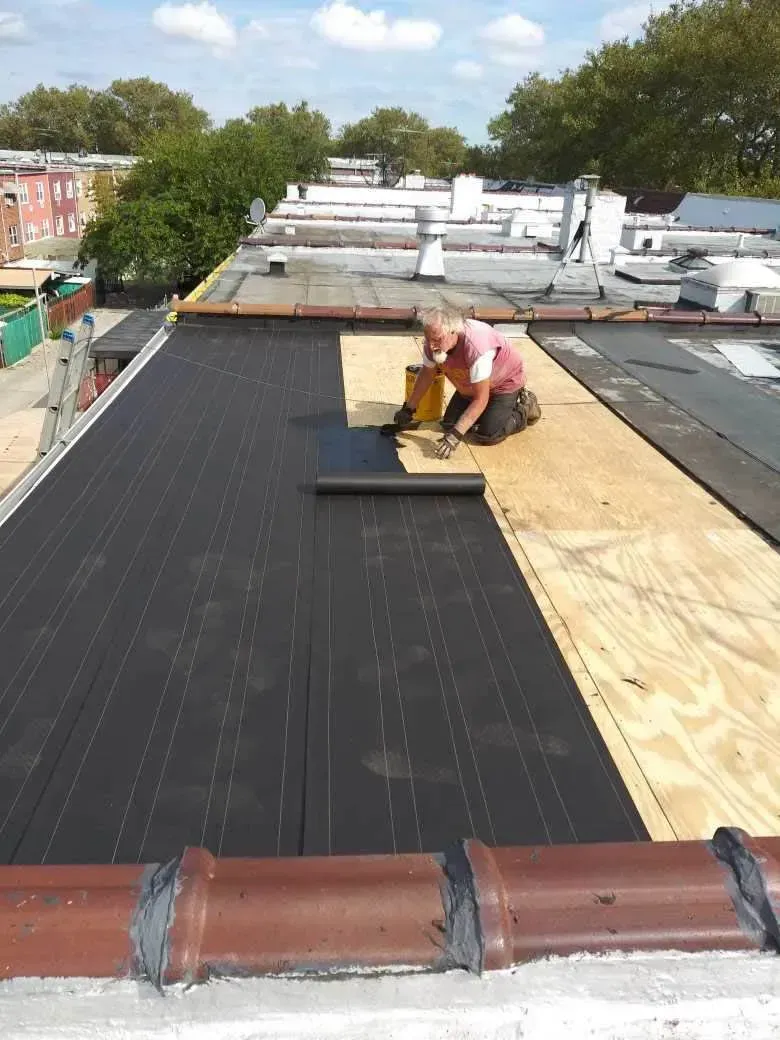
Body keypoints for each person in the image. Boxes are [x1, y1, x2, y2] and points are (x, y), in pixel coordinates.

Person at [393, 305, 541, 459]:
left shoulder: (476, 347)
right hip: (471, 384)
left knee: (488, 434)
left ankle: (525, 408)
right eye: (428, 338)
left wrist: (455, 437)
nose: (431, 345)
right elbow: (426, 374)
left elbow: (481, 398)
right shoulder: (434, 341)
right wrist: (409, 408)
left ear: (453, 331)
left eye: (437, 339)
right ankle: (489, 413)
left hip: (503, 384)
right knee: (450, 425)